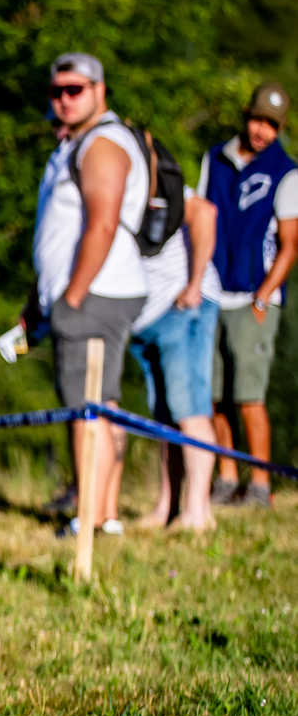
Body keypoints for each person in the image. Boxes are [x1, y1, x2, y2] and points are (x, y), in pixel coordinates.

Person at [24, 53, 150, 536]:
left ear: (100, 90)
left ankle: (90, 518)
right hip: (88, 293)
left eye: (75, 89)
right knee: (102, 404)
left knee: (85, 409)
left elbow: (103, 224)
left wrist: (72, 297)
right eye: (57, 91)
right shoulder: (77, 142)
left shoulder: (102, 144)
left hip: (94, 295)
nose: (64, 99)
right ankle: (105, 516)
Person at [199, 81, 296, 510]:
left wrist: (262, 297)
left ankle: (259, 484)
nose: (261, 131)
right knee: (215, 394)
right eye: (258, 120)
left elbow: (290, 245)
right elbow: (203, 217)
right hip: (214, 292)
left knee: (249, 396)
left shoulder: (286, 172)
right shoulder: (215, 159)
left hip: (254, 298)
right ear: (246, 115)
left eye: (271, 125)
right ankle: (226, 477)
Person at [126, 191, 219, 531]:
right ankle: (168, 507)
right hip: (148, 318)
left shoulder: (156, 179)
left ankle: (198, 513)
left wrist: (194, 285)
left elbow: (205, 213)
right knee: (166, 418)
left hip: (182, 307)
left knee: (189, 410)